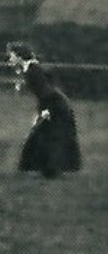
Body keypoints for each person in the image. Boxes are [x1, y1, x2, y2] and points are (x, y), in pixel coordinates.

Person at [10, 43, 82, 178]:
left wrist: (46, 110)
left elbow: (46, 91)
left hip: (56, 105)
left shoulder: (33, 70)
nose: (10, 59)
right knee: (44, 136)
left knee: (52, 137)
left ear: (20, 56)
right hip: (55, 103)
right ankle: (48, 169)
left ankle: (52, 170)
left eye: (12, 56)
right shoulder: (32, 68)